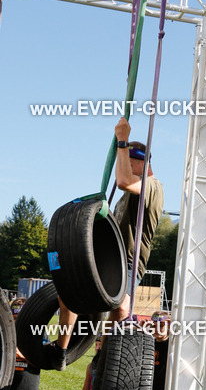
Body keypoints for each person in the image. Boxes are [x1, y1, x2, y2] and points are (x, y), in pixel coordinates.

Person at [44, 118, 164, 370]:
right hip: (108, 259)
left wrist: (122, 139)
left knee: (120, 307)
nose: (124, 166)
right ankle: (61, 351)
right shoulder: (124, 198)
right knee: (68, 294)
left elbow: (122, 180)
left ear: (141, 163)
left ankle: (107, 356)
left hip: (128, 263)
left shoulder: (153, 186)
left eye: (128, 161)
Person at [1, 299, 41, 390]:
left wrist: (20, 353)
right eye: (14, 318)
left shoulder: (37, 332)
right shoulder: (4, 333)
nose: (17, 322)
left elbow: (43, 359)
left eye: (20, 318)